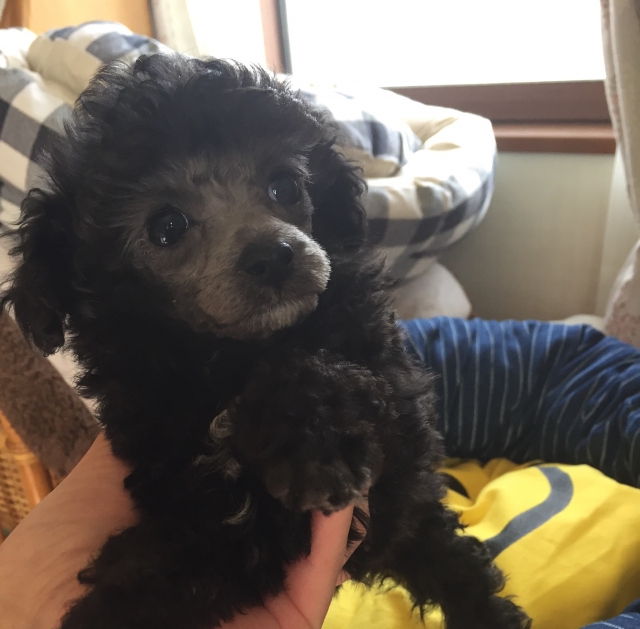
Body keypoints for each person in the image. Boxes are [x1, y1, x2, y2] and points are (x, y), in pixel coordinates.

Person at [3, 316, 640, 628]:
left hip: (389, 505)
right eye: (170, 228)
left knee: (444, 561)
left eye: (281, 188)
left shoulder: (339, 340)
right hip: (231, 552)